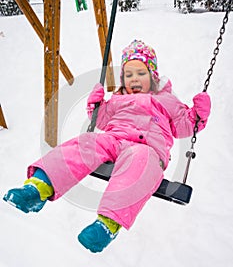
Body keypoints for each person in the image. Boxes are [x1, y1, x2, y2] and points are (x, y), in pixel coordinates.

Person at [3, 40, 211, 253]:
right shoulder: (118, 99)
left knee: (139, 160)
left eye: (140, 73)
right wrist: (96, 106)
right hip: (114, 140)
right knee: (85, 141)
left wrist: (198, 115)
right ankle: (38, 187)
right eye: (128, 75)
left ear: (153, 75)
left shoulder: (167, 101)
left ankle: (106, 226)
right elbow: (102, 120)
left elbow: (185, 126)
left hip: (146, 149)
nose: (134, 79)